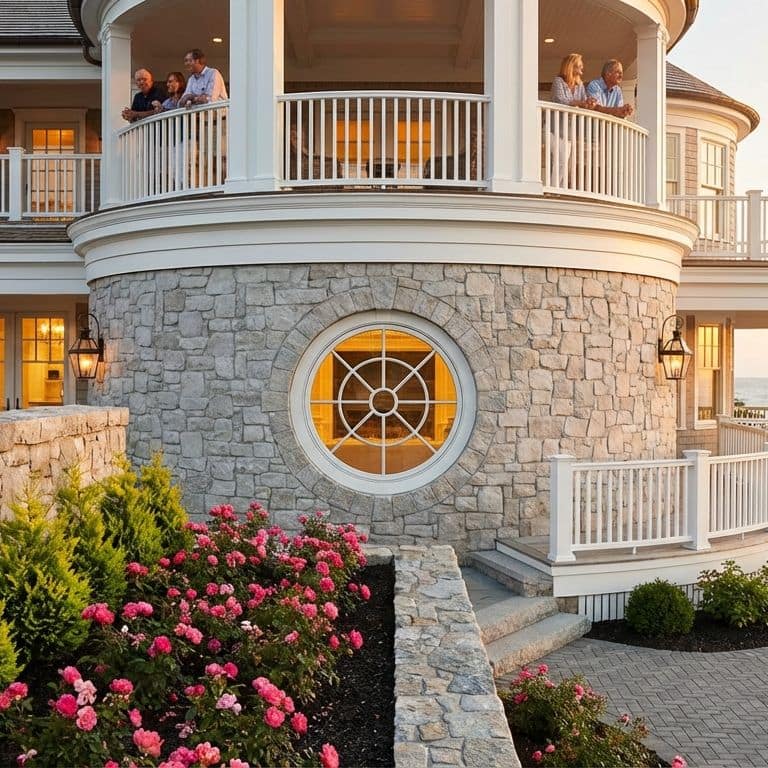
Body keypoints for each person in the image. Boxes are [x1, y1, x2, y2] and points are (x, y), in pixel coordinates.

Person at [548, 53, 596, 187]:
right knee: (561, 159)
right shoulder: (558, 81)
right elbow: (561, 100)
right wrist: (580, 103)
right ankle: (554, 188)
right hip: (553, 129)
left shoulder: (579, 85)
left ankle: (558, 189)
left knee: (566, 163)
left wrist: (589, 103)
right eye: (579, 65)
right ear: (571, 66)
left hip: (569, 132)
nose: (582, 68)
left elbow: (583, 101)